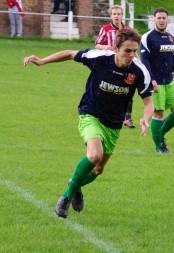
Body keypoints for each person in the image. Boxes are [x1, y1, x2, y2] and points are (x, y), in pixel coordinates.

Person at [23, 28, 154, 218]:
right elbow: (69, 53)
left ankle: (75, 186)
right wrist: (42, 61)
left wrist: (145, 118)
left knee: (98, 169)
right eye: (128, 50)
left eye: (135, 51)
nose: (132, 55)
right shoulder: (99, 57)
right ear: (116, 48)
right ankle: (66, 197)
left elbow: (149, 102)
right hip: (90, 113)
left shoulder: (139, 71)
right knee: (94, 155)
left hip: (114, 123)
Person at [140, 7, 174, 154]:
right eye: (159, 18)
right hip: (156, 82)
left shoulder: (171, 38)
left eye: (164, 18)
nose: (161, 21)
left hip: (170, 80)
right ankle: (159, 146)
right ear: (154, 19)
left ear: (167, 20)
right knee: (158, 113)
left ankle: (160, 135)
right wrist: (151, 79)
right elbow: (144, 61)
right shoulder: (147, 37)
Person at [95, 5, 136, 128]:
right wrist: (106, 47)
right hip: (110, 63)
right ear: (110, 15)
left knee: (128, 89)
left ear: (122, 15)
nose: (116, 16)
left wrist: (137, 60)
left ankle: (127, 118)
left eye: (119, 14)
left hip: (126, 64)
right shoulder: (106, 29)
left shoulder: (128, 30)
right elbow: (97, 44)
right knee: (109, 88)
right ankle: (106, 113)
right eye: (114, 14)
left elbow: (133, 47)